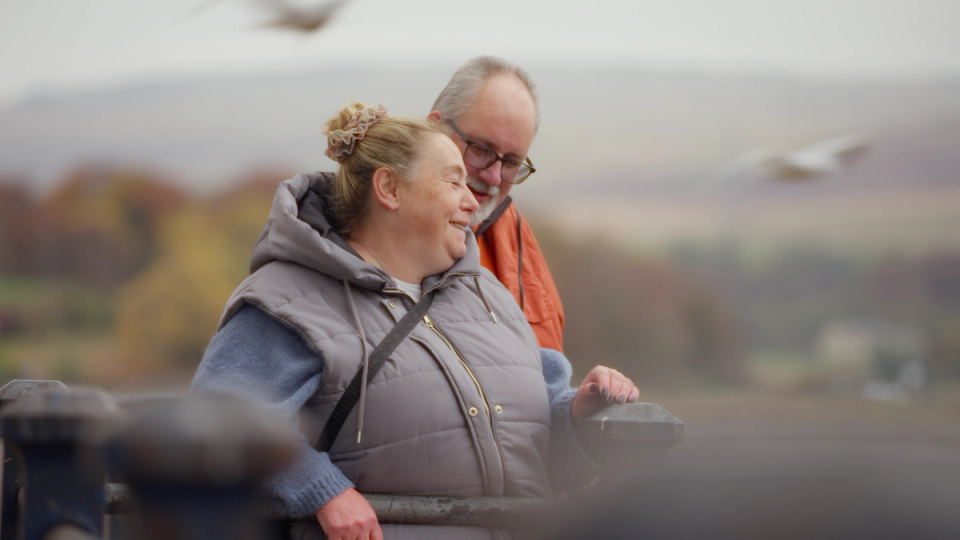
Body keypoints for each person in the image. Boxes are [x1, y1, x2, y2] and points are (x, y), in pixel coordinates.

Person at [192, 103, 639, 540]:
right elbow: (215, 423)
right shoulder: (286, 300)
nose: (471, 201)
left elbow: (529, 423)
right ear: (390, 189)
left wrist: (575, 411)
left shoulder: (490, 297)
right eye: (453, 181)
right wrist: (322, 492)